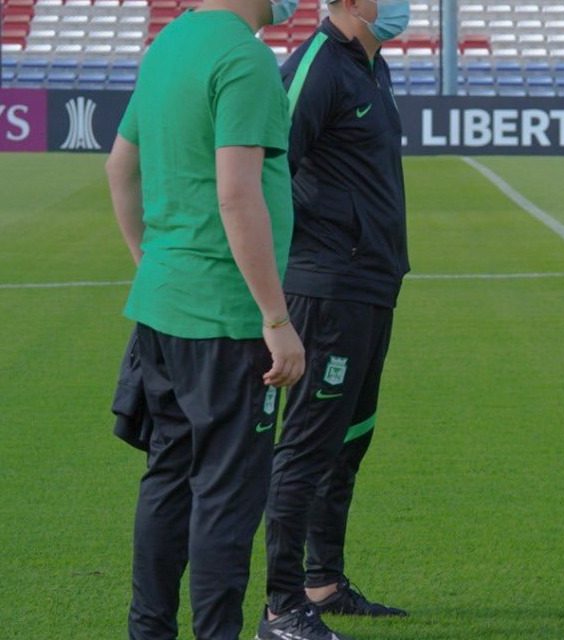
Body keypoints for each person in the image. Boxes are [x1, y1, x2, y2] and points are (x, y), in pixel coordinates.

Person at [104, 0, 305, 635]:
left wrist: (152, 261)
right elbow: (237, 192)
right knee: (226, 495)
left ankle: (150, 629)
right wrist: (276, 318)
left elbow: (120, 167)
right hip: (224, 316)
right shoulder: (243, 56)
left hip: (163, 308)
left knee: (167, 477)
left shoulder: (169, 44)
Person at [256, 1, 411, 638]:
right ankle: (281, 607)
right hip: (326, 289)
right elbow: (270, 172)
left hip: (372, 286)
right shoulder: (316, 66)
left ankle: (323, 580)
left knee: (351, 439)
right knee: (308, 447)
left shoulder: (374, 65)